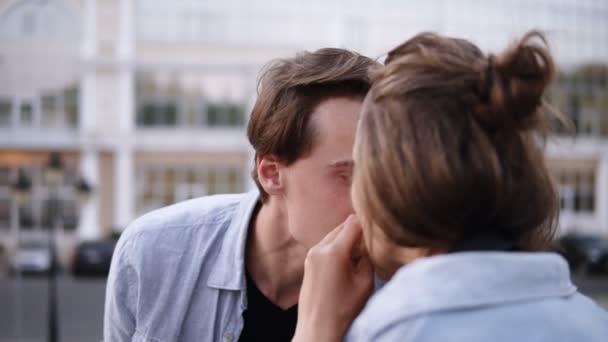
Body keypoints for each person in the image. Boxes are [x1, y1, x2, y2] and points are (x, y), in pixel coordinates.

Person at [293, 31, 608, 342]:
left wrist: (313, 330)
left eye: (357, 171)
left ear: (390, 186)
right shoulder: (595, 322)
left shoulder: (385, 333)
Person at [103, 48, 377, 342]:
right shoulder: (152, 253)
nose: (374, 201)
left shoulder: (398, 289)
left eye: (381, 177)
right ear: (271, 173)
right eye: (346, 176)